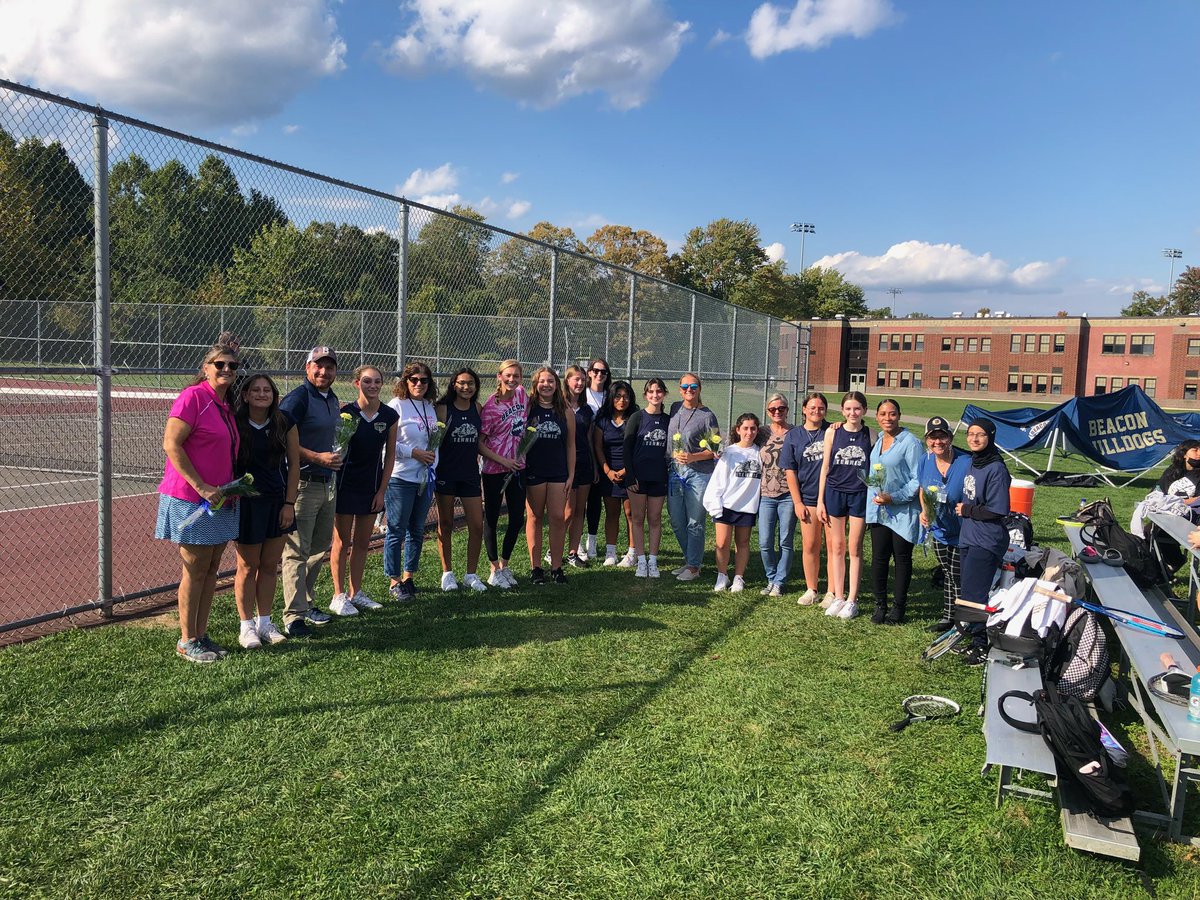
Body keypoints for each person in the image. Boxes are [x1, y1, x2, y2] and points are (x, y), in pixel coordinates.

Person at [156, 334, 242, 663]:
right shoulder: (193, 397)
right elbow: (171, 444)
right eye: (220, 364)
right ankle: (186, 640)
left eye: (232, 365)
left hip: (220, 500)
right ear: (206, 368)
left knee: (211, 568)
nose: (226, 369)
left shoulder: (225, 405)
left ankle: (201, 635)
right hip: (192, 500)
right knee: (194, 569)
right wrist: (202, 486)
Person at [278, 346, 342, 637]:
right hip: (303, 484)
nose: (324, 372)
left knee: (318, 549)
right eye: (318, 366)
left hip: (327, 483)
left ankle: (306, 604)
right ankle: (293, 616)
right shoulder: (298, 398)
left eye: (329, 367)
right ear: (307, 368)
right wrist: (316, 457)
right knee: (296, 551)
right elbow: (280, 437)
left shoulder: (332, 398)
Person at [232, 374, 299, 649]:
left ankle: (265, 623)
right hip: (247, 503)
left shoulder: (285, 422)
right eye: (256, 390)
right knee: (248, 566)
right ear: (245, 395)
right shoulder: (235, 422)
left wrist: (289, 503)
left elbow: (294, 465)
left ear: (274, 395)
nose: (262, 394)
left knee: (270, 565)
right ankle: (246, 626)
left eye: (267, 390)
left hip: (277, 502)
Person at [329, 365, 398, 615]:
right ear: (357, 383)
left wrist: (381, 491)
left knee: (362, 542)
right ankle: (338, 596)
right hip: (345, 485)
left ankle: (355, 592)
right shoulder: (345, 413)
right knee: (341, 541)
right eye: (367, 381)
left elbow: (390, 456)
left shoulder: (389, 416)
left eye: (377, 381)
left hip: (371, 487)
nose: (373, 385)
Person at [955, 418, 1012, 665]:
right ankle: (973, 638)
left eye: (980, 434)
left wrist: (967, 510)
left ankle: (981, 645)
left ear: (991, 437)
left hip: (986, 540)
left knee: (976, 594)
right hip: (969, 536)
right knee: (968, 591)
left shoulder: (996, 468)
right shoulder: (974, 462)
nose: (974, 439)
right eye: (970, 434)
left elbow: (999, 509)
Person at [865, 399, 923, 625]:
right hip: (879, 511)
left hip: (902, 511)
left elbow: (917, 479)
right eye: (882, 414)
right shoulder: (879, 439)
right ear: (877, 416)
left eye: (892, 414)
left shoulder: (910, 443)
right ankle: (880, 605)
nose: (887, 418)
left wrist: (894, 497)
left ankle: (899, 607)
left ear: (899, 415)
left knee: (901, 559)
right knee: (879, 558)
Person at [385, 362, 439, 601]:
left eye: (424, 380)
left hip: (424, 478)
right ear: (405, 381)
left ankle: (408, 577)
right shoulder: (396, 405)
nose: (419, 384)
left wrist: (432, 464)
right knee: (397, 530)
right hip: (401, 477)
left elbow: (434, 442)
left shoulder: (429, 406)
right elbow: (388, 443)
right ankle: (394, 581)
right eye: (414, 379)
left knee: (416, 529)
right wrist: (413, 453)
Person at [816, 391, 872, 620]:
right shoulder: (832, 432)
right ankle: (838, 596)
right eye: (848, 409)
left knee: (854, 547)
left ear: (865, 410)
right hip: (835, 493)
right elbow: (825, 467)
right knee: (837, 547)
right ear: (842, 411)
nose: (852, 413)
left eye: (857, 408)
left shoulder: (871, 434)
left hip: (859, 494)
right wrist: (820, 500)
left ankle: (852, 600)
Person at [433, 367, 488, 593]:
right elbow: (434, 441)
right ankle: (447, 573)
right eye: (462, 383)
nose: (466, 387)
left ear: (476, 386)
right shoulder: (443, 409)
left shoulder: (477, 408)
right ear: (453, 385)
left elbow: (480, 441)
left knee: (476, 525)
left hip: (470, 474)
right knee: (446, 523)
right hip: (446, 474)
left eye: (471, 383)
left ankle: (470, 574)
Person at [918, 416, 970, 633]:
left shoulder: (966, 462)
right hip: (940, 529)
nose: (937, 441)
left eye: (942, 436)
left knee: (958, 575)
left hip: (962, 529)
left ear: (950, 437)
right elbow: (923, 489)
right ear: (927, 440)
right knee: (947, 573)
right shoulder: (925, 460)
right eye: (933, 437)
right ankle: (949, 617)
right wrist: (925, 511)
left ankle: (963, 620)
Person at [523, 366, 575, 584]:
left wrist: (571, 475)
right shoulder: (527, 408)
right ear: (535, 384)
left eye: (551, 381)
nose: (546, 385)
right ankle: (536, 568)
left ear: (557, 385)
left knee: (557, 518)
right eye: (542, 381)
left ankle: (556, 567)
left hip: (558, 473)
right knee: (534, 517)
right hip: (534, 470)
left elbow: (570, 445)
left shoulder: (565, 411)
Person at [479, 359, 528, 589]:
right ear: (499, 376)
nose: (512, 379)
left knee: (517, 518)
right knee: (491, 517)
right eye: (507, 375)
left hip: (518, 468)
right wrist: (503, 460)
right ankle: (493, 569)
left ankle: (504, 565)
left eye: (516, 376)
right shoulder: (491, 406)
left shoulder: (522, 395)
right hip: (494, 470)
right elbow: (480, 443)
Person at [667, 373, 720, 582]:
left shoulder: (707, 416)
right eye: (685, 386)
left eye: (693, 386)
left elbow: (715, 449)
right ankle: (690, 559)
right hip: (675, 471)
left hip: (698, 473)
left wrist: (692, 457)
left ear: (699, 389)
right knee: (677, 520)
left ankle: (693, 566)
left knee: (694, 522)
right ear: (680, 389)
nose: (689, 390)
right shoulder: (674, 408)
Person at [704, 413, 764, 592]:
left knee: (743, 543)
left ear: (757, 430)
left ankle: (739, 577)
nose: (749, 432)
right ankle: (722, 575)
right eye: (745, 428)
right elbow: (718, 479)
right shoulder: (729, 452)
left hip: (747, 506)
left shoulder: (760, 453)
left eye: (753, 428)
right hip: (726, 506)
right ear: (738, 430)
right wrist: (715, 505)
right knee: (722, 543)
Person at [782, 392, 832, 607]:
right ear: (804, 410)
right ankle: (812, 589)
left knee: (833, 546)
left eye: (820, 408)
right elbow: (790, 471)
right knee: (810, 545)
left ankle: (832, 591)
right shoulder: (794, 436)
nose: (816, 411)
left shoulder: (833, 431)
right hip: (808, 498)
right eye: (812, 407)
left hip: (831, 498)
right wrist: (798, 502)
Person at [623, 378, 670, 577]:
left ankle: (653, 561)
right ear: (645, 395)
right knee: (637, 518)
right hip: (638, 478)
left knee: (655, 518)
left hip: (659, 476)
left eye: (658, 391)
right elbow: (626, 448)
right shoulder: (637, 417)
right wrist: (630, 476)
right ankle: (641, 560)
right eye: (651, 391)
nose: (655, 395)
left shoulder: (669, 420)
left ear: (664, 394)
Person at [593, 380, 637, 567]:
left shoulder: (635, 418)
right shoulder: (603, 419)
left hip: (630, 472)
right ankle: (610, 553)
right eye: (618, 396)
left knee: (630, 513)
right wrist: (608, 471)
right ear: (611, 397)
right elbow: (598, 447)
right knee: (612, 513)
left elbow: (638, 448)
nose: (622, 400)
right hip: (609, 473)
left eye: (626, 396)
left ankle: (632, 553)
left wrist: (626, 470)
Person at [757, 393, 795, 598]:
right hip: (765, 494)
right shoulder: (761, 432)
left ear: (787, 410)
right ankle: (771, 577)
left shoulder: (795, 432)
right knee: (765, 541)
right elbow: (741, 441)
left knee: (785, 541)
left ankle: (780, 581)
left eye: (781, 408)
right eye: (773, 409)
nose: (777, 412)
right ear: (767, 411)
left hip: (788, 494)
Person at [562, 364, 597, 568]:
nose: (580, 383)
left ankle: (573, 552)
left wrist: (594, 465)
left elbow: (589, 439)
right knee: (568, 511)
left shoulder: (587, 409)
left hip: (584, 463)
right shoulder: (559, 406)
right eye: (576, 379)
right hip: (565, 464)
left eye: (583, 380)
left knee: (579, 511)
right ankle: (553, 550)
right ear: (567, 381)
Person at [580, 357, 612, 561]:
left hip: (604, 453)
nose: (599, 374)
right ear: (589, 373)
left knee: (595, 499)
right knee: (579, 502)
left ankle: (592, 540)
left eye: (603, 372)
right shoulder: (582, 394)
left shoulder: (610, 396)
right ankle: (577, 542)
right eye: (596, 371)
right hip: (583, 452)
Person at [1158, 440, 1200, 505]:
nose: (1199, 453)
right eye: (1195, 450)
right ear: (1184, 454)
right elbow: (1158, 494)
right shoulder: (1172, 472)